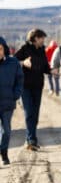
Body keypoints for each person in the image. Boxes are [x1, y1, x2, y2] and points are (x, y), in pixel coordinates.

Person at [14, 29, 49, 151]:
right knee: (29, 113)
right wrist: (23, 62)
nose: (43, 40)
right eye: (42, 38)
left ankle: (30, 139)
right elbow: (13, 61)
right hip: (25, 87)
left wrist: (52, 71)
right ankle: (32, 140)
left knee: (35, 114)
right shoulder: (24, 48)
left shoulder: (41, 50)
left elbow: (45, 67)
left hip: (38, 87)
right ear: (35, 38)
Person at [0, 36, 23, 165]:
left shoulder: (13, 63)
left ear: (4, 49)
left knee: (6, 131)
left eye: (0, 49)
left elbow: (20, 80)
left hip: (7, 103)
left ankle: (4, 152)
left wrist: (16, 94)